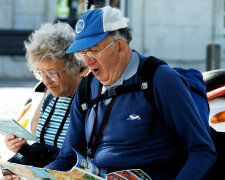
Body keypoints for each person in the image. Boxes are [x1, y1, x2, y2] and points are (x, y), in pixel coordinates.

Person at [44, 6, 217, 180]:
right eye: (82, 53)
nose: (87, 61)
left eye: (94, 50)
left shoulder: (160, 79)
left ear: (119, 47)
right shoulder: (87, 88)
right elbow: (67, 159)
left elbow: (202, 150)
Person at [1, 22, 85, 179]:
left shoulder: (87, 98)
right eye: (40, 73)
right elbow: (42, 146)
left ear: (73, 67)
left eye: (52, 73)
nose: (46, 81)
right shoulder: (49, 95)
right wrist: (21, 147)